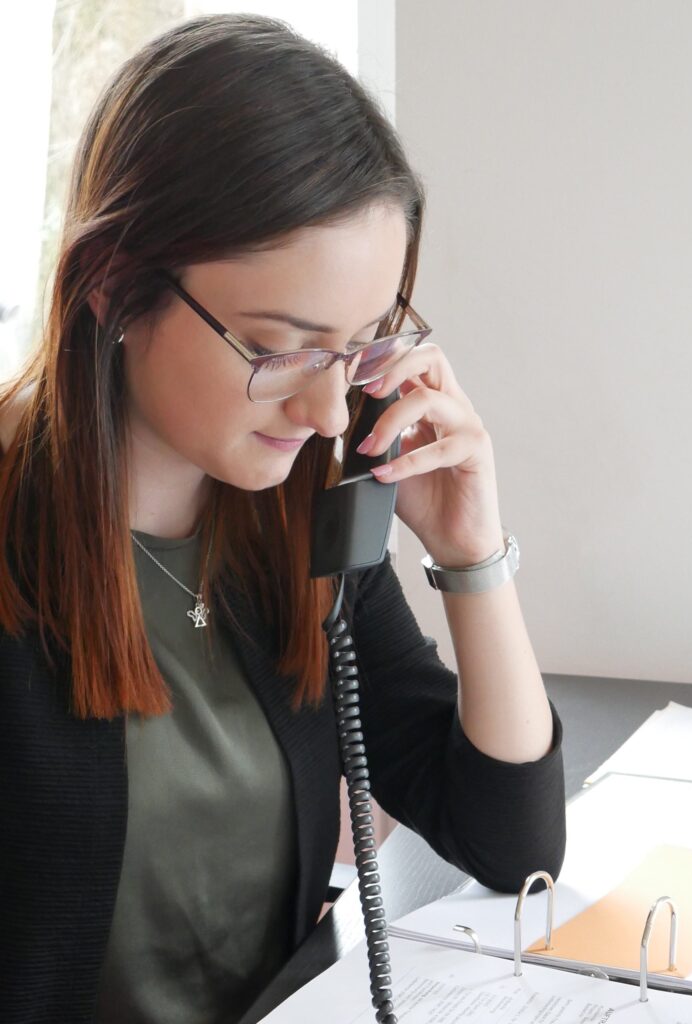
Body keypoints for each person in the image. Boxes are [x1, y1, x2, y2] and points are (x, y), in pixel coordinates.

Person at [0, 13, 565, 1024]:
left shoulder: (294, 522)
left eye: (357, 347)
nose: (324, 411)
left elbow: (512, 844)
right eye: (281, 347)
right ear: (111, 289)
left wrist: (472, 553)